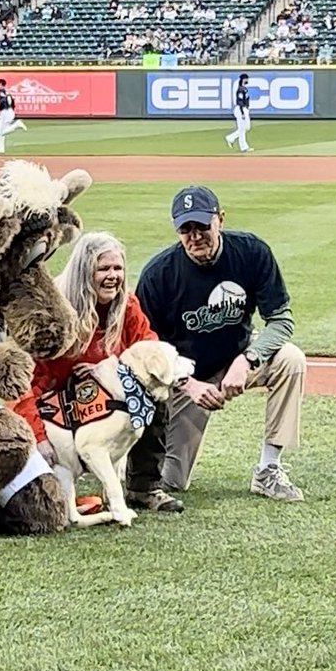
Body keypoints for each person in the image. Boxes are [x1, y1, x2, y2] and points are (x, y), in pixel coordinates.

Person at [130, 186, 306, 504]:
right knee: (172, 479)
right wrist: (188, 384)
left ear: (220, 220)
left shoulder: (251, 253)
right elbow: (146, 349)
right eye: (186, 229)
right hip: (186, 377)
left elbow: (281, 320)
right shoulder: (159, 275)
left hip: (236, 357)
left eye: (202, 226)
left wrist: (248, 359)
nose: (195, 236)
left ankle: (268, 470)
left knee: (290, 359)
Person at [13, 232, 183, 512]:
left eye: (118, 268)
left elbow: (150, 347)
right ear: (84, 271)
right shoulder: (52, 315)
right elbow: (21, 384)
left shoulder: (126, 306)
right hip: (55, 409)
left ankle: (144, 486)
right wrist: (39, 437)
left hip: (96, 404)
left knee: (154, 391)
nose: (113, 276)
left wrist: (108, 369)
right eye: (103, 268)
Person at [0, 78, 26, 153]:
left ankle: (17, 124)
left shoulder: (1, 92)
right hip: (7, 112)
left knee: (3, 132)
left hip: (6, 112)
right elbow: (11, 102)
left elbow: (3, 101)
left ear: (1, 85)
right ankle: (1, 148)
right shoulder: (7, 92)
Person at [224, 72, 252, 153]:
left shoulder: (244, 88)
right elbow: (240, 102)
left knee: (247, 127)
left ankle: (230, 138)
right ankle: (244, 147)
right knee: (242, 129)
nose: (247, 80)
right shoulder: (240, 89)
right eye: (246, 79)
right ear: (244, 79)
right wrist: (242, 113)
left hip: (245, 109)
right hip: (240, 109)